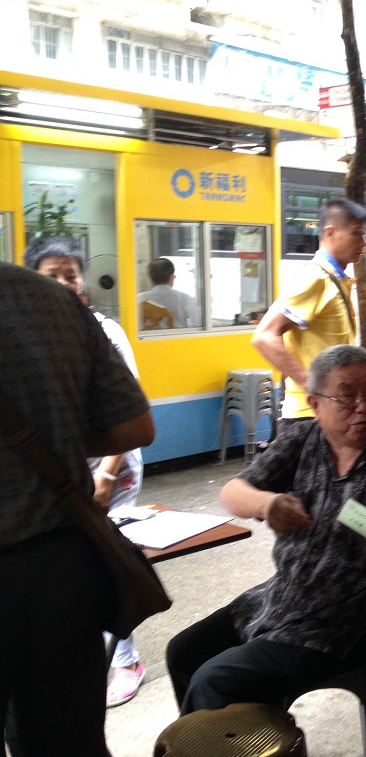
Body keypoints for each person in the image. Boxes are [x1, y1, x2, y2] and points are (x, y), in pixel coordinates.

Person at [165, 345, 366, 714]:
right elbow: (233, 491)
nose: (363, 405)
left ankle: (232, 738)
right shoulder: (302, 439)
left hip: (350, 622)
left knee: (215, 680)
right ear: (315, 403)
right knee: (184, 652)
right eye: (347, 395)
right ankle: (232, 735)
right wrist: (267, 504)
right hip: (282, 598)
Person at [0, 262, 153, 757]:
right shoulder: (53, 302)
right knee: (69, 742)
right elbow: (136, 427)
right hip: (61, 571)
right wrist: (56, 442)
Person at [24, 237, 148, 707]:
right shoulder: (25, 333)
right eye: (51, 275)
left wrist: (106, 476)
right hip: (58, 476)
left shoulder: (104, 332)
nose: (63, 283)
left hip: (110, 472)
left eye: (70, 274)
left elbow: (130, 413)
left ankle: (125, 661)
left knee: (107, 562)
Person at [252, 199, 366, 433]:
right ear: (330, 232)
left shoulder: (336, 279)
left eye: (364, 235)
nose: (363, 243)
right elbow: (264, 336)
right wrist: (311, 386)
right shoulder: (316, 277)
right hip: (309, 418)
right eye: (357, 234)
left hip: (329, 414)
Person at [137, 257, 201, 328]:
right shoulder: (184, 298)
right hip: (178, 335)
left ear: (150, 278)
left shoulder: (139, 299)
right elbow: (199, 323)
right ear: (171, 277)